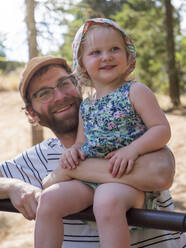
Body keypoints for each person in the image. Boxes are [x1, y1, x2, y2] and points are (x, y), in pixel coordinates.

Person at [0, 55, 184, 248]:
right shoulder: (37, 158)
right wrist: (14, 186)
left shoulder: (127, 132)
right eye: (44, 93)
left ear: (78, 85)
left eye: (65, 83)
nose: (60, 96)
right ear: (32, 113)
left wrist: (70, 171)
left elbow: (160, 173)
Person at [35, 18, 171, 248]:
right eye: (96, 52)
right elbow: (80, 143)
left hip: (130, 181)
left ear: (128, 55)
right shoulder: (86, 106)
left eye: (115, 49)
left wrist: (133, 150)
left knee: (106, 200)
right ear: (82, 64)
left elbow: (162, 130)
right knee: (49, 199)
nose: (106, 57)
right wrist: (72, 153)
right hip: (91, 180)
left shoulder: (135, 91)